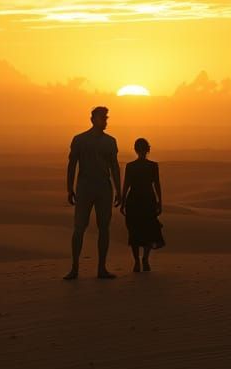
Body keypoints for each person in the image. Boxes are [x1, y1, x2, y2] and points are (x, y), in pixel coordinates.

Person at [65, 106, 121, 280]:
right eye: (102, 117)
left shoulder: (110, 142)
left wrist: (119, 189)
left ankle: (101, 268)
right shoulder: (79, 140)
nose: (105, 121)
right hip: (85, 187)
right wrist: (69, 188)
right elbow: (72, 165)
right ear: (93, 119)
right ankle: (74, 268)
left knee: (104, 228)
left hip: (103, 187)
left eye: (106, 117)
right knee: (79, 227)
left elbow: (115, 167)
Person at [120, 137, 164, 272]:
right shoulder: (152, 166)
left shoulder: (131, 166)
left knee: (135, 232)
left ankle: (137, 262)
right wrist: (160, 202)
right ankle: (144, 259)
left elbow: (126, 185)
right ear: (147, 149)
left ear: (135, 150)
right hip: (147, 200)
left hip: (134, 201)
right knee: (148, 230)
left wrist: (122, 202)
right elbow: (157, 185)